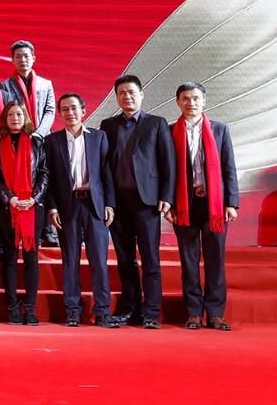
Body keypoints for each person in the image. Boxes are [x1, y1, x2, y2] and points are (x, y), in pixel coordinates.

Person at [100, 74, 176, 330]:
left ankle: (151, 312)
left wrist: (166, 196)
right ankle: (129, 308)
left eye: (131, 92)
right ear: (116, 97)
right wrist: (108, 201)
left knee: (150, 259)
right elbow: (104, 167)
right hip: (118, 203)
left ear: (141, 95)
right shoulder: (108, 125)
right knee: (125, 260)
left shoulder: (157, 123)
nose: (127, 97)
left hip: (147, 203)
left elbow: (168, 163)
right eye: (122, 93)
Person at [168, 82, 239, 331]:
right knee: (189, 262)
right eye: (185, 98)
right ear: (178, 102)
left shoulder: (220, 130)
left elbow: (229, 167)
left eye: (196, 98)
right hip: (184, 204)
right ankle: (194, 313)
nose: (191, 103)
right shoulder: (169, 131)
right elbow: (166, 171)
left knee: (214, 260)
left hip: (214, 205)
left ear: (204, 101)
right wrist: (168, 204)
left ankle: (216, 313)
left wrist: (232, 202)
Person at [45, 94, 118, 327]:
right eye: (65, 109)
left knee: (99, 261)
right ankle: (72, 311)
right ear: (59, 114)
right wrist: (52, 207)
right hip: (68, 206)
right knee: (70, 261)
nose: (70, 113)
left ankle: (103, 311)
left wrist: (109, 204)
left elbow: (106, 173)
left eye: (74, 108)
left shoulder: (99, 137)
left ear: (83, 111)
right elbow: (50, 179)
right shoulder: (52, 141)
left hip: (94, 204)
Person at [0, 99, 48, 325]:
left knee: (31, 257)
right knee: (10, 257)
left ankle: (30, 309)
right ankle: (13, 307)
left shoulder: (37, 143)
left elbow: (44, 173)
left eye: (19, 114)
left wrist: (34, 198)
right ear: (4, 119)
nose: (15, 118)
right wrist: (10, 198)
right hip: (9, 208)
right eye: (11, 115)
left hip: (32, 207)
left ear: (26, 118)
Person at [3, 39, 59, 248]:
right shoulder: (5, 85)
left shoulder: (46, 84)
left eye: (26, 56)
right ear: (12, 60)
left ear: (33, 58)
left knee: (44, 183)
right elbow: (7, 112)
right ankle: (18, 227)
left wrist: (38, 134)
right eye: (18, 56)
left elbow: (50, 111)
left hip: (40, 140)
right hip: (17, 141)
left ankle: (47, 230)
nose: (22, 60)